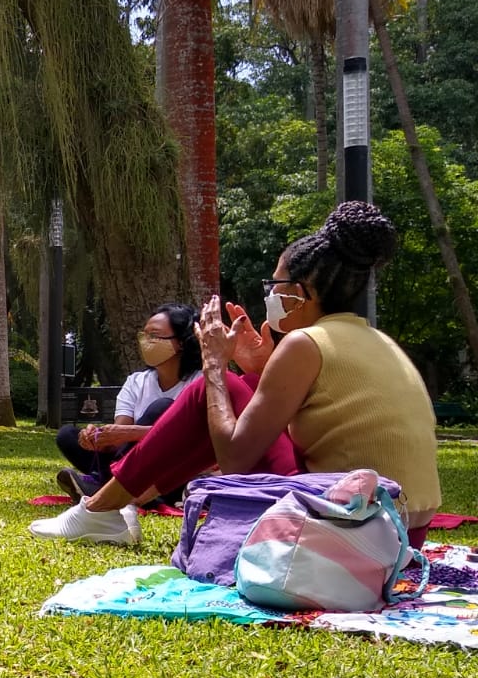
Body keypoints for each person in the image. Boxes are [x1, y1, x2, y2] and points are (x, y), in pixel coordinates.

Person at [30, 202, 441, 546]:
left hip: (350, 528)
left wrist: (213, 364)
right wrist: (257, 370)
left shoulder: (305, 344)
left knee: (216, 388)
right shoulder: (374, 341)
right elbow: (324, 424)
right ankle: (116, 505)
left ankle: (101, 510)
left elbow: (236, 457)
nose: (270, 295)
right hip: (404, 533)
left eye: (275, 285)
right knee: (237, 387)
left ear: (299, 294)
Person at [53, 303, 202, 502]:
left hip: (178, 469)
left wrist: (132, 433)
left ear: (182, 342)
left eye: (155, 336)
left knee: (162, 407)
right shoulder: (136, 382)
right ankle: (117, 486)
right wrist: (100, 438)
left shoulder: (200, 382)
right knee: (67, 435)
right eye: (144, 335)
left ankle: (104, 485)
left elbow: (194, 442)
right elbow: (122, 435)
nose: (146, 342)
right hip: (131, 460)